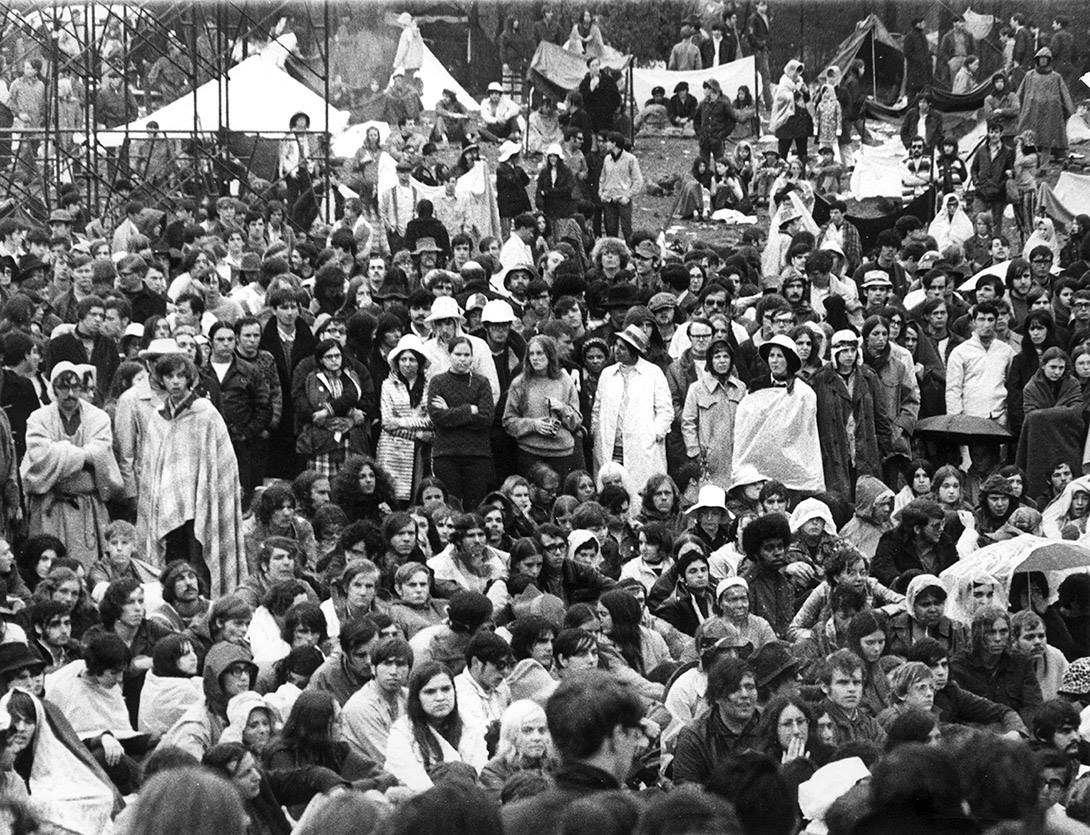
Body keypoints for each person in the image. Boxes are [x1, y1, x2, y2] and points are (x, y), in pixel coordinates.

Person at [501, 670, 647, 835]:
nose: (638, 741)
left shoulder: (507, 820)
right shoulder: (637, 823)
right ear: (619, 735)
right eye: (637, 732)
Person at [20, 362, 122, 567]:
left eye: (76, 387)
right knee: (48, 565)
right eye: (63, 387)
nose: (70, 394)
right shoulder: (38, 418)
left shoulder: (98, 417)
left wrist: (60, 455)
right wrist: (84, 457)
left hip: (86, 507)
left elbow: (102, 452)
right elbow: (40, 456)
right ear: (53, 389)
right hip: (50, 506)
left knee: (87, 566)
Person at [591, 324, 672, 510]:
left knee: (640, 492)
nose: (616, 351)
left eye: (622, 347)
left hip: (642, 447)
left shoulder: (653, 373)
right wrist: (597, 432)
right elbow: (597, 407)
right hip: (611, 446)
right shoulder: (607, 374)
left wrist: (654, 434)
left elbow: (666, 410)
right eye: (616, 346)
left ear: (634, 351)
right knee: (612, 492)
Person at [383, 660, 485, 791]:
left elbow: (479, 772)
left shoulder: (469, 724)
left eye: (446, 689)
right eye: (430, 692)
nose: (440, 697)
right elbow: (413, 781)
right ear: (417, 698)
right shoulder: (402, 732)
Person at [673, 656, 761, 784]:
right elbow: (687, 793)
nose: (745, 695)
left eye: (750, 687)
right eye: (735, 689)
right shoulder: (695, 737)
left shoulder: (770, 723)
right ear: (717, 697)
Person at [1016, 47, 1074, 161]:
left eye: (1045, 59)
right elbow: (1020, 92)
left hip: (1050, 111)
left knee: (1049, 133)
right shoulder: (1030, 75)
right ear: (1037, 60)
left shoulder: (1056, 77)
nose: (1043, 61)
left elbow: (1064, 93)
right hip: (1033, 110)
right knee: (1029, 132)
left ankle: (1052, 155)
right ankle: (1030, 153)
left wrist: (1069, 107)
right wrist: (1015, 104)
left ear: (1049, 60)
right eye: (1040, 59)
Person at [598, 132, 643, 242]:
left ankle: (630, 251)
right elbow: (602, 177)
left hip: (623, 199)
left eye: (608, 141)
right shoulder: (607, 159)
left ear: (614, 143)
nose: (606, 144)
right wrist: (601, 192)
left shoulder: (630, 159)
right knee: (610, 229)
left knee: (626, 228)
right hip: (608, 199)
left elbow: (638, 180)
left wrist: (628, 196)